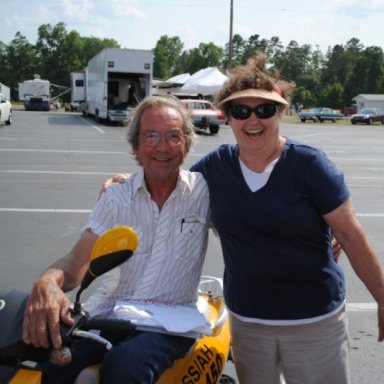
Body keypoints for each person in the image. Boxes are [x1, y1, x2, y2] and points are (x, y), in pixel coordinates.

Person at [103, 54, 384, 384]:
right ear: (228, 116)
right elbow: (167, 192)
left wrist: (382, 298)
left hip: (314, 322)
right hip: (248, 322)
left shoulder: (310, 166)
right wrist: (124, 183)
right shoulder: (214, 168)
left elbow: (350, 233)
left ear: (280, 111)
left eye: (264, 110)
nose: (253, 120)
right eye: (241, 110)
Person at [22, 95, 211, 384]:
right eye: (151, 136)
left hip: (170, 324)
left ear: (186, 143)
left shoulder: (205, 192)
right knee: (51, 365)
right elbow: (76, 263)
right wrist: (47, 281)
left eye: (173, 136)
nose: (162, 146)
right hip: (110, 314)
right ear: (135, 147)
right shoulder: (116, 197)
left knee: (125, 367)